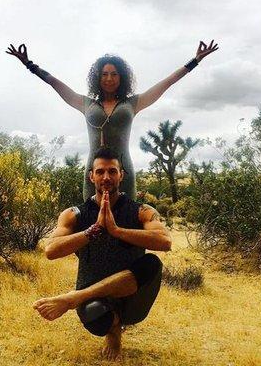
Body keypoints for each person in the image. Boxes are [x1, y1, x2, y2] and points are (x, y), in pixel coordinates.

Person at [6, 40, 218, 200]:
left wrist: (194, 61)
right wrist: (29, 64)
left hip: (123, 172)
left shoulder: (133, 103)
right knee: (93, 226)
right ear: (98, 77)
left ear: (121, 77)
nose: (109, 78)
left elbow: (168, 82)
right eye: (105, 73)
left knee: (126, 224)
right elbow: (53, 82)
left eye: (114, 74)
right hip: (94, 173)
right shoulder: (85, 104)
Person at [33, 147, 172, 361]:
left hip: (132, 295)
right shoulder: (74, 214)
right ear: (91, 176)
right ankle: (112, 328)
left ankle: (73, 299)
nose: (106, 177)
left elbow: (165, 242)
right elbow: (51, 250)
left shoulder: (141, 210)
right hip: (95, 297)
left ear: (121, 175)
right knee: (93, 316)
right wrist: (93, 230)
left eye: (112, 171)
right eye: (100, 172)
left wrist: (116, 231)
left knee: (151, 263)